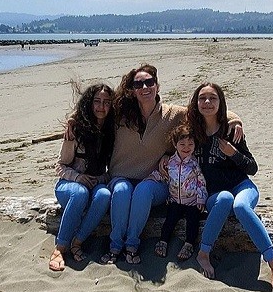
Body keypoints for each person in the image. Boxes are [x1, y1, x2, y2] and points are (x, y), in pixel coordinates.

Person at [97, 63, 243, 265]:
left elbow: (206, 112)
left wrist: (235, 119)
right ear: (132, 89)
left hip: (155, 181)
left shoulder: (172, 114)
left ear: (157, 85)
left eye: (149, 82)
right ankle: (115, 247)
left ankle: (131, 245)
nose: (145, 88)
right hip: (121, 175)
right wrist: (71, 123)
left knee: (143, 191)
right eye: (138, 84)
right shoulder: (121, 113)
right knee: (121, 191)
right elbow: (94, 113)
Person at [187, 82, 273, 292]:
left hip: (242, 186)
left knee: (241, 207)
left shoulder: (231, 130)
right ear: (195, 103)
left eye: (212, 98)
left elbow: (252, 168)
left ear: (220, 102)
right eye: (202, 98)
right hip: (214, 193)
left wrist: (233, 153)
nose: (207, 102)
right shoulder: (192, 133)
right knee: (225, 199)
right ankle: (203, 254)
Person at [48, 83, 115, 272]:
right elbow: (60, 166)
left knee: (104, 195)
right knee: (80, 193)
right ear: (89, 103)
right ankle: (60, 248)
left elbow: (113, 169)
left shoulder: (112, 132)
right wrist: (77, 177)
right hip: (69, 186)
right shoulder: (76, 130)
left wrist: (100, 178)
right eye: (97, 102)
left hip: (95, 184)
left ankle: (77, 241)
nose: (101, 107)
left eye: (106, 103)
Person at [147, 124, 207, 261]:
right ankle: (163, 241)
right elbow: (162, 175)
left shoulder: (194, 163)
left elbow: (201, 182)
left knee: (193, 221)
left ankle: (189, 244)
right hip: (175, 200)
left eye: (190, 144)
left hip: (192, 201)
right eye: (182, 144)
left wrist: (201, 199)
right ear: (175, 144)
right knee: (170, 220)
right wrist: (150, 178)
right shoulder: (170, 163)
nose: (186, 147)